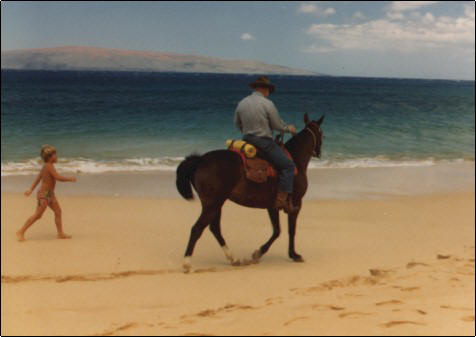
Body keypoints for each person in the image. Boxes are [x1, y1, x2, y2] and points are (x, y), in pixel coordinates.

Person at [234, 76, 298, 213]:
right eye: (268, 90)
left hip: (246, 139)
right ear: (264, 89)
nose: (269, 92)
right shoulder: (268, 104)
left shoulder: (242, 103)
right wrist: (289, 129)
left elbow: (237, 123)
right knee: (288, 166)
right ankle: (281, 202)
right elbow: (276, 125)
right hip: (263, 142)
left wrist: (247, 131)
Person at [16, 145, 77, 241]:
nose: (57, 156)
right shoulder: (49, 166)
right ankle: (21, 231)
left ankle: (60, 234)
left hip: (50, 194)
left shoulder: (47, 166)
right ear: (50, 157)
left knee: (58, 212)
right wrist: (70, 179)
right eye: (55, 155)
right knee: (38, 215)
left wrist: (31, 189)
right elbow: (58, 177)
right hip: (44, 195)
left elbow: (39, 178)